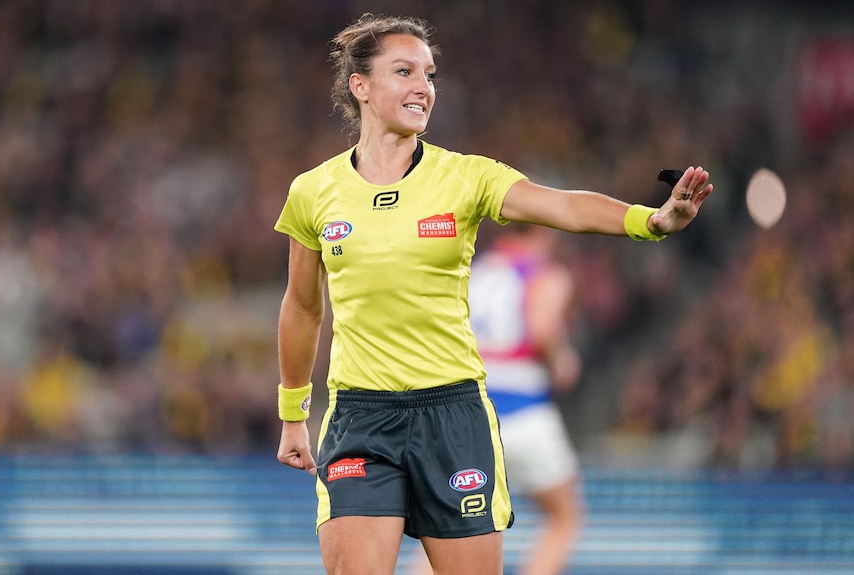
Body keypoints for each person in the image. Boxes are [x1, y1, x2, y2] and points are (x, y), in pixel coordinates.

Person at [274, 13, 713, 575]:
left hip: (454, 414)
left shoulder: (466, 177)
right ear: (360, 86)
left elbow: (563, 205)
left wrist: (650, 220)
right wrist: (293, 414)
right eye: (404, 72)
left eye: (429, 75)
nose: (423, 88)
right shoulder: (313, 192)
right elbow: (303, 306)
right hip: (361, 418)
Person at [414, 223, 584, 575]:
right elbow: (541, 326)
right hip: (523, 408)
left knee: (446, 527)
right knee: (564, 517)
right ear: (545, 232)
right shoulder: (544, 273)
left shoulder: (476, 272)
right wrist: (562, 359)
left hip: (468, 410)